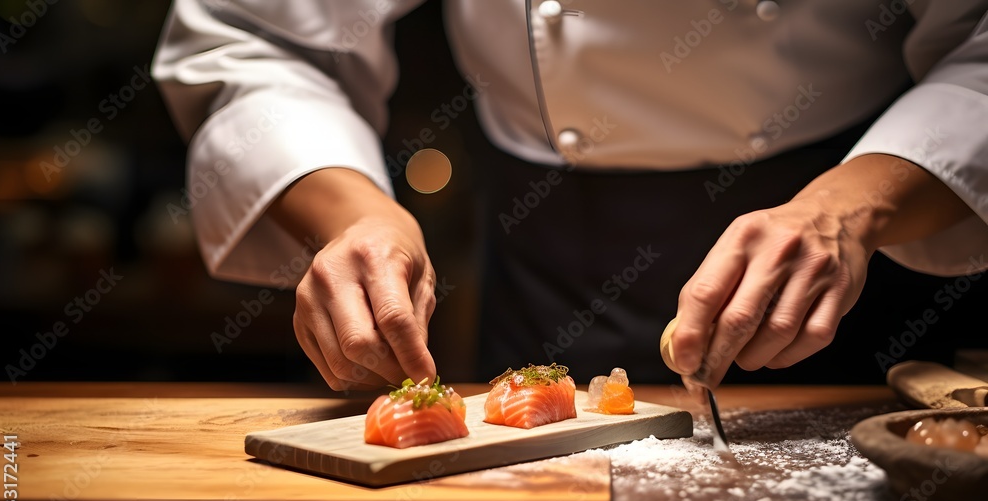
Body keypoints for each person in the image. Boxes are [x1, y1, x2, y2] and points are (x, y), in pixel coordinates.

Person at [151, 0, 988, 394]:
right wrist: (357, 214)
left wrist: (852, 208)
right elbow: (254, 35)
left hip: (866, 243)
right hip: (550, 253)